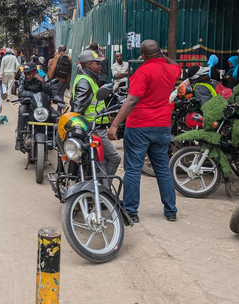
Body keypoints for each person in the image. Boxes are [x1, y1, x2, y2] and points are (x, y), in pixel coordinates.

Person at [108, 40, 180, 223]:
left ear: (143, 56)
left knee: (132, 169)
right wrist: (162, 55)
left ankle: (131, 211)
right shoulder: (171, 70)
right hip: (162, 125)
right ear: (160, 53)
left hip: (139, 126)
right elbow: (176, 64)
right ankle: (171, 211)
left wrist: (115, 124)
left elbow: (131, 101)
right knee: (163, 168)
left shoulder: (143, 72)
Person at [71, 50, 122, 182]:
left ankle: (102, 193)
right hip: (95, 129)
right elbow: (77, 109)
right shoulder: (85, 81)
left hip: (97, 128)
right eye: (97, 63)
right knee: (115, 158)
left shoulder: (89, 79)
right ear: (89, 65)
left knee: (102, 161)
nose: (100, 65)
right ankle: (105, 191)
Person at [15, 63, 53, 151]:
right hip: (28, 103)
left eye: (30, 74)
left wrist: (42, 81)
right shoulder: (23, 78)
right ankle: (19, 139)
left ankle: (52, 139)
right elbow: (20, 92)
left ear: (35, 72)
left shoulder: (44, 76)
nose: (27, 76)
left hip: (42, 105)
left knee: (54, 115)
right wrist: (32, 95)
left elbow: (50, 92)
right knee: (22, 111)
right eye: (26, 74)